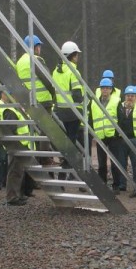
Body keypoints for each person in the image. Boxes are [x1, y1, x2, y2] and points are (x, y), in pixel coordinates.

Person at [51, 41, 85, 177]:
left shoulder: (56, 71)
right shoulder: (73, 70)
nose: (78, 57)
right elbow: (77, 94)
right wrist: (82, 99)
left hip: (61, 110)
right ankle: (68, 163)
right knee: (72, 140)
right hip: (74, 111)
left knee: (66, 140)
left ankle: (63, 173)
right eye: (76, 55)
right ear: (72, 55)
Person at [0, 93, 36, 204]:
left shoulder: (17, 109)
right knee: (15, 172)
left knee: (19, 172)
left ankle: (18, 195)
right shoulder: (11, 111)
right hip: (17, 147)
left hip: (22, 146)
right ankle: (12, 197)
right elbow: (11, 131)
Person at [90, 77, 122, 190]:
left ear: (111, 89)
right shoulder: (94, 102)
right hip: (100, 136)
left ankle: (116, 186)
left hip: (113, 136)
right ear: (100, 89)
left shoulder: (116, 101)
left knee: (115, 163)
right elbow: (90, 118)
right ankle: (102, 185)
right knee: (101, 163)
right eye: (103, 88)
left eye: (107, 88)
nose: (105, 90)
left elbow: (121, 118)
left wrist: (119, 134)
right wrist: (92, 132)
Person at [15, 35, 55, 108]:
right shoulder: (35, 59)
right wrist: (54, 94)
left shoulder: (19, 62)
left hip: (29, 101)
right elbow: (48, 80)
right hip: (43, 100)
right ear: (35, 47)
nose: (39, 48)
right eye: (38, 46)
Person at [116, 85, 136, 194]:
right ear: (125, 96)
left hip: (135, 139)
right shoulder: (119, 106)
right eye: (128, 96)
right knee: (121, 163)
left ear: (135, 97)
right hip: (121, 140)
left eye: (132, 96)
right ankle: (122, 185)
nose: (130, 98)